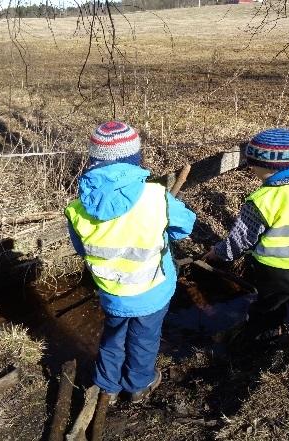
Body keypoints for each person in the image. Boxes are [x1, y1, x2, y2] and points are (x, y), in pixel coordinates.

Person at [65, 121, 196, 403]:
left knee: (113, 339)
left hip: (113, 293)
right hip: (152, 290)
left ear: (94, 161)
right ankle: (138, 385)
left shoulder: (77, 209)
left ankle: (107, 388)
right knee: (144, 338)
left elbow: (81, 248)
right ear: (135, 158)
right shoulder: (156, 196)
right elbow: (185, 227)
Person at [204, 128, 289, 356]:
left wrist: (218, 254)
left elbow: (240, 240)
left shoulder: (264, 199)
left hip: (277, 269)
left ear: (266, 164)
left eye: (251, 162)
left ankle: (261, 347)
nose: (249, 168)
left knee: (268, 308)